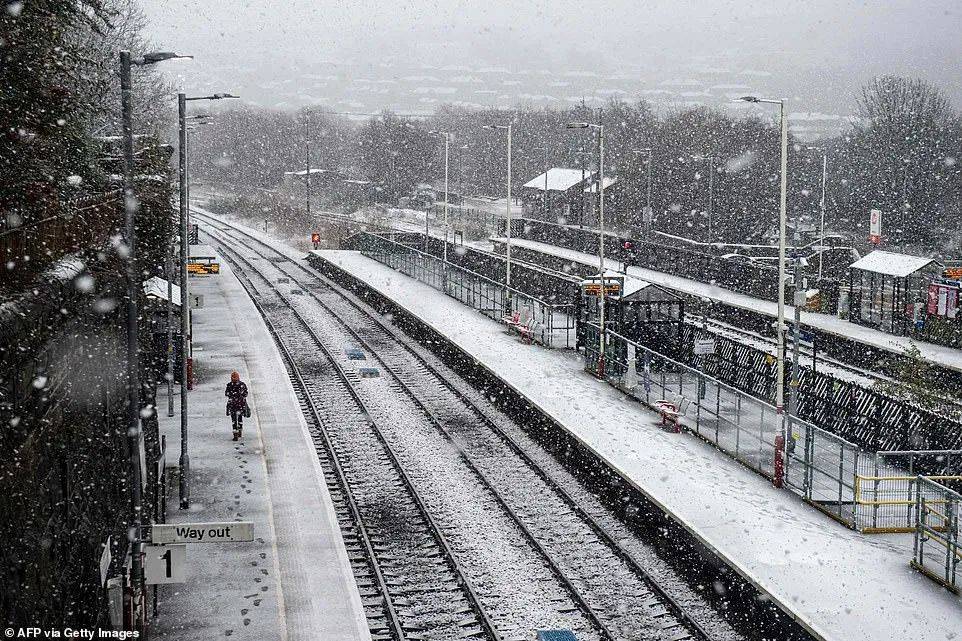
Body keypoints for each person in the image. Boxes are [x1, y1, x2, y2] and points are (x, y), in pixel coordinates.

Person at [225, 371, 249, 441]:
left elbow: (226, 393)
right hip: (240, 404)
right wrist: (241, 396)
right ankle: (240, 430)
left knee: (234, 419)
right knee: (240, 417)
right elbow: (246, 393)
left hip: (232, 405)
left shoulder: (229, 385)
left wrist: (232, 395)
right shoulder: (242, 384)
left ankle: (235, 433)